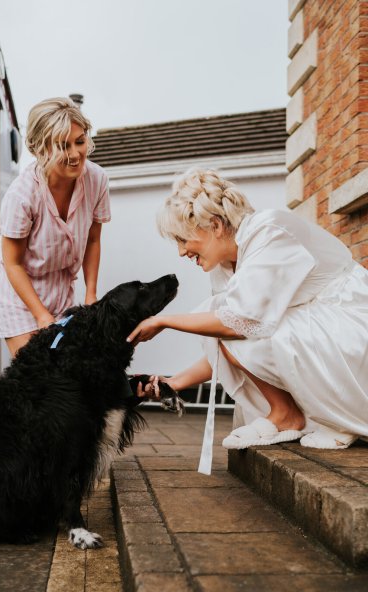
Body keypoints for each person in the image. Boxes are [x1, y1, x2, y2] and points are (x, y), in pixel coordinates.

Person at [128, 168, 368, 450]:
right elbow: (228, 342)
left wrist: (164, 321)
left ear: (215, 226)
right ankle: (288, 414)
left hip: (352, 329)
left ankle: (315, 415)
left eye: (183, 239)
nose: (181, 252)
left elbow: (238, 324)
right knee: (218, 315)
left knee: (222, 315)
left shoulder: (270, 231)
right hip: (319, 335)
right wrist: (175, 381)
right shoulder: (225, 266)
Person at [0, 97, 110, 356]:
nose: (76, 154)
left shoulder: (97, 180)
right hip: (18, 290)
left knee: (63, 370)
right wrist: (41, 315)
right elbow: (13, 264)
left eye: (80, 142)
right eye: (62, 146)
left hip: (60, 283)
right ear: (40, 150)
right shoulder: (22, 195)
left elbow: (92, 240)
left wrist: (91, 295)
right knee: (39, 375)